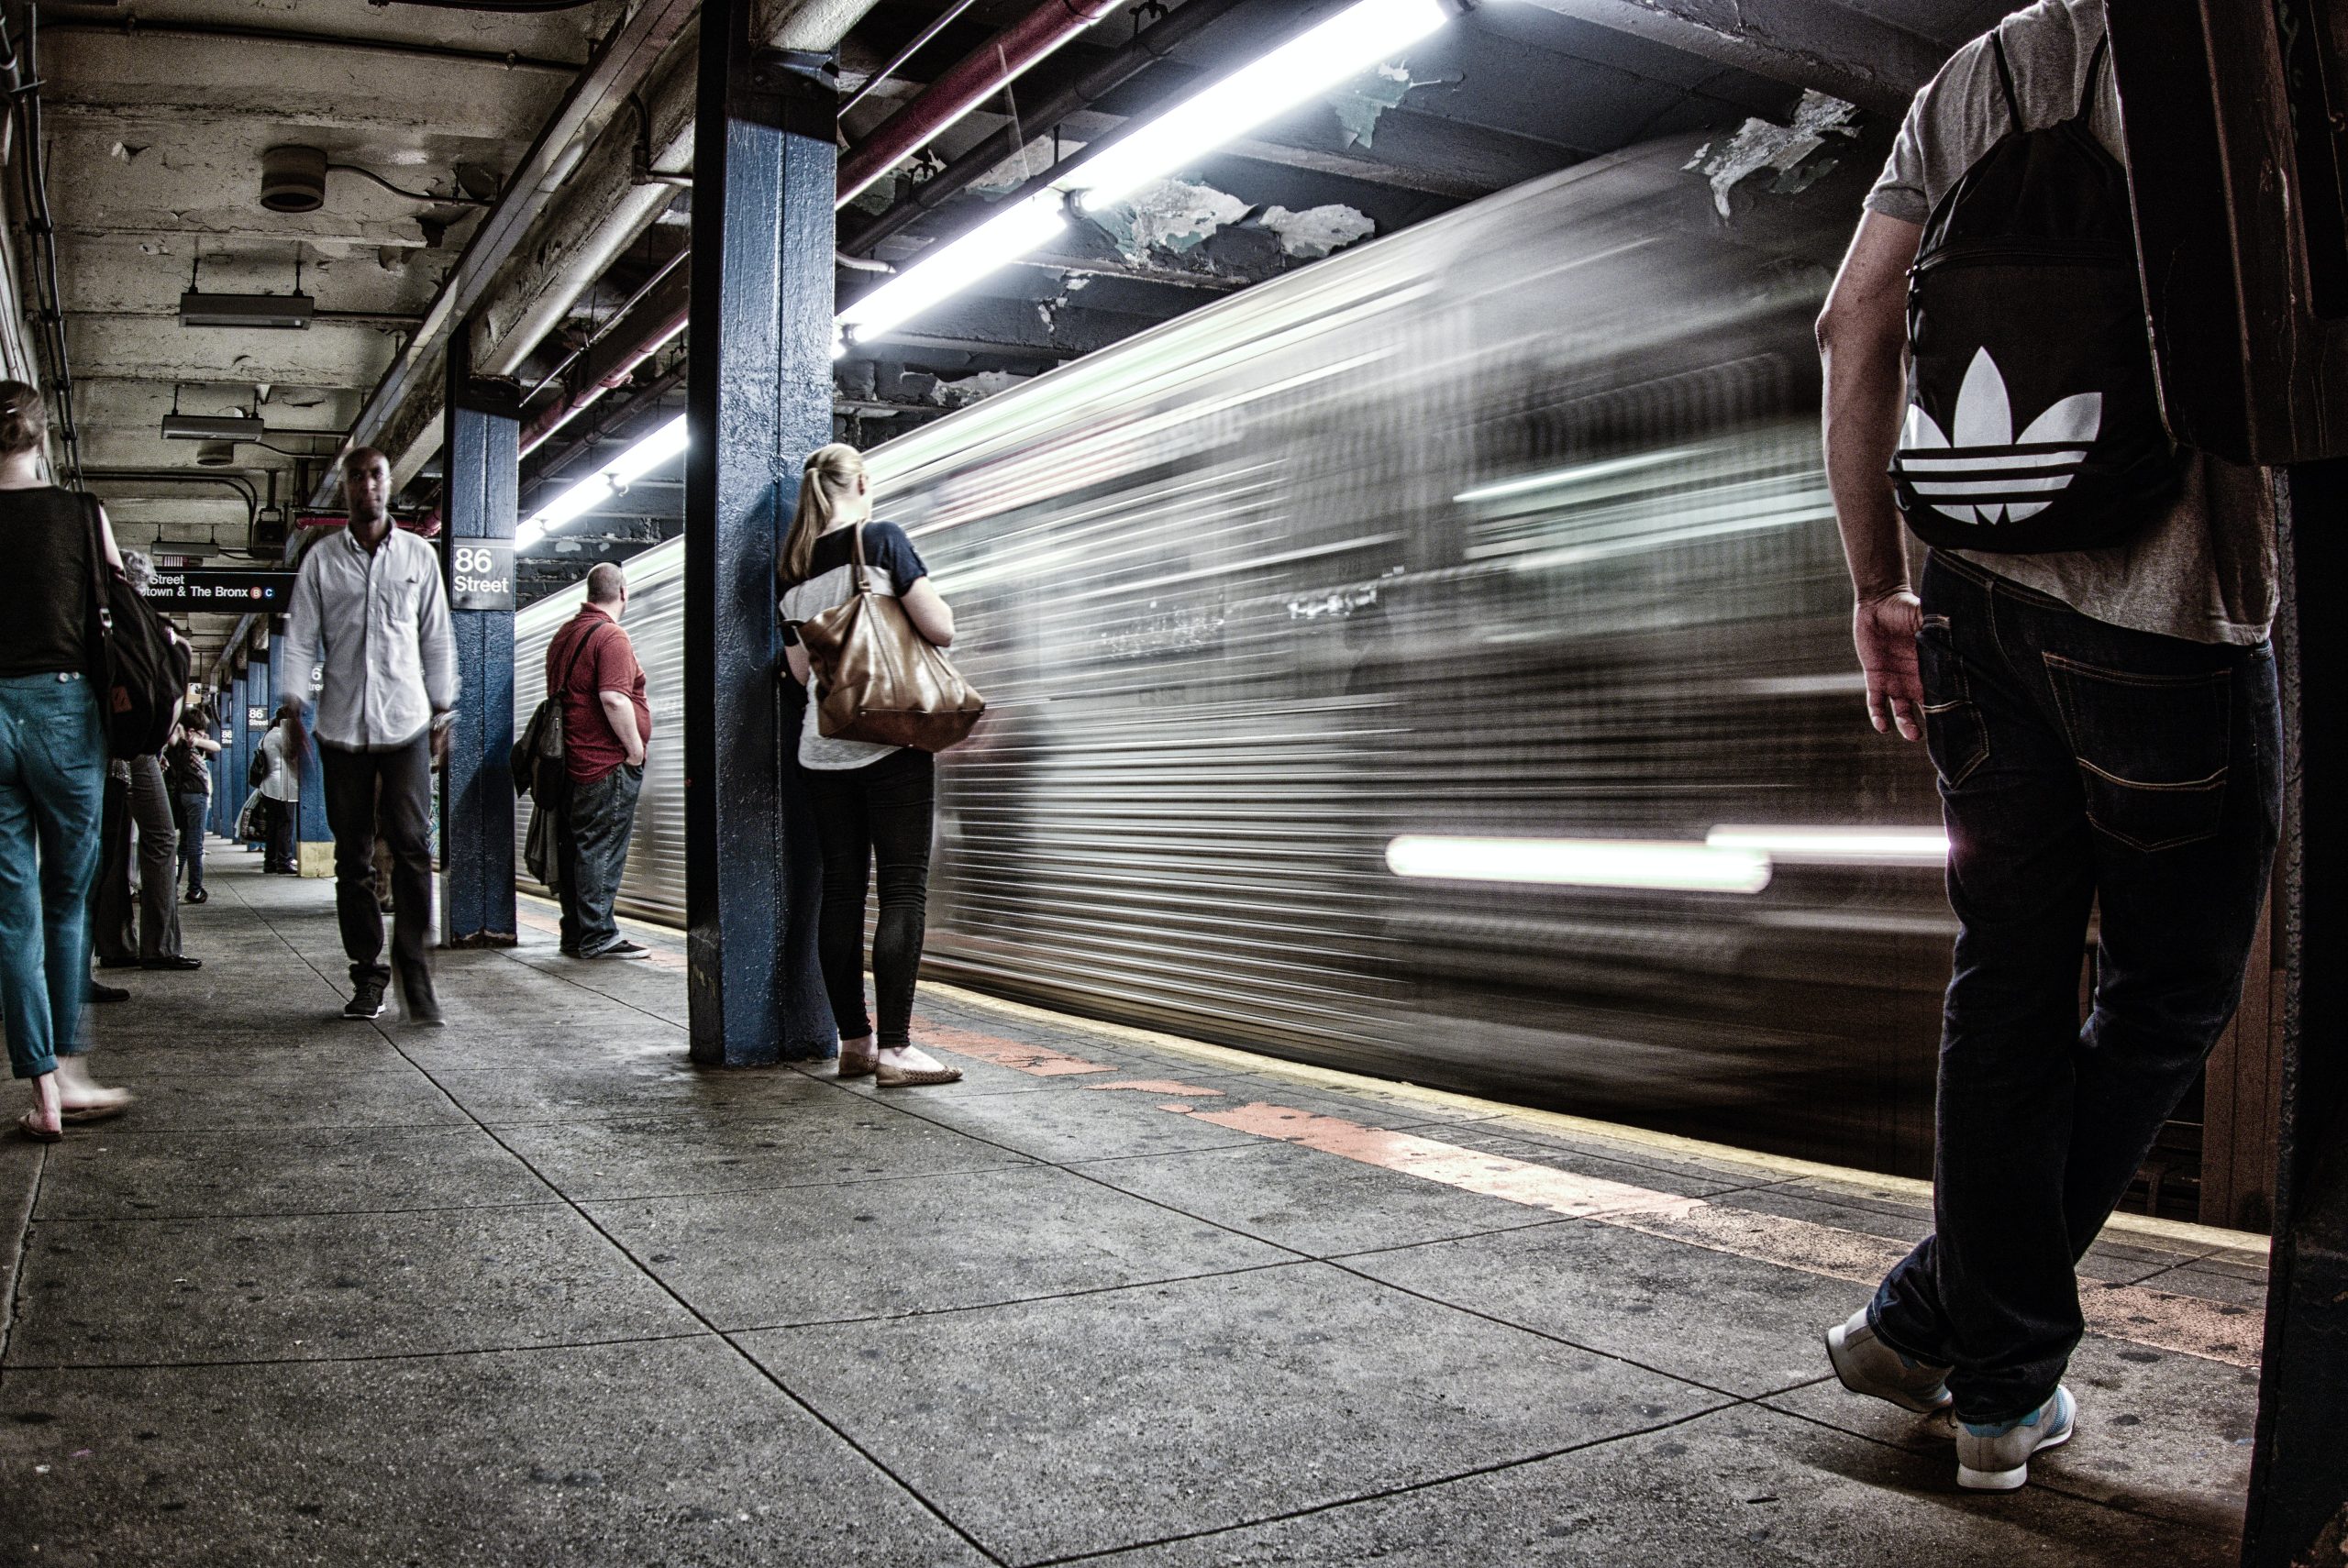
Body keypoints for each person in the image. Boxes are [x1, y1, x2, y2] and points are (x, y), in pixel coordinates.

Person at [1812, 0, 2280, 1492]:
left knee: (2006, 972)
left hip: (1968, 599)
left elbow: (1851, 323)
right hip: (2167, 613)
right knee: (2170, 987)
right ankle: (1985, 1364)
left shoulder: (1982, 73)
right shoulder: (2247, 59)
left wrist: (1875, 584)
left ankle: (1947, 1332)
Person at [777, 443, 961, 1088]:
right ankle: (898, 1050)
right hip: (891, 739)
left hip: (822, 749)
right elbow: (939, 628)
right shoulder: (881, 540)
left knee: (842, 891)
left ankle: (854, 1044)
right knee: (903, 889)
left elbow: (798, 671)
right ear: (859, 482)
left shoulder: (792, 570)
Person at [0, 381, 133, 1140]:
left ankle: (42, 1089)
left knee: (11, 910)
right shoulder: (82, 513)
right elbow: (122, 603)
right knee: (66, 900)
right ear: (43, 438)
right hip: (63, 710)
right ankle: (72, 1071)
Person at [282, 447, 456, 1023]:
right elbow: (300, 640)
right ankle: (367, 975)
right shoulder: (322, 561)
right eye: (356, 477)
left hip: (406, 724)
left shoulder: (418, 556)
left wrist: (442, 711)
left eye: (375, 475)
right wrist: (292, 707)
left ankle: (415, 971)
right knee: (352, 858)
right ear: (346, 488)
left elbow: (436, 637)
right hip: (340, 730)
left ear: (389, 483)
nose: (367, 485)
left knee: (413, 847)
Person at [93, 556, 197, 973]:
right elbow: (164, 686)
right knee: (160, 837)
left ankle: (115, 942)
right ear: (145, 585)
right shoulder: (143, 623)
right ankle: (160, 945)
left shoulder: (95, 617)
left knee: (114, 843)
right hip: (134, 746)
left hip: (97, 741)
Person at [545, 563, 650, 961]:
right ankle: (598, 935)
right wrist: (634, 750)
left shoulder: (565, 634)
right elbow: (614, 698)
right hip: (603, 763)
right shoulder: (611, 635)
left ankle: (575, 933)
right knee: (601, 849)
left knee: (577, 849)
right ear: (623, 593)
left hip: (570, 763)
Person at [165, 699, 220, 902]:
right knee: (196, 844)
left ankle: (173, 888)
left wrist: (196, 741)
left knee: (185, 845)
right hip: (196, 795)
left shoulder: (192, 744)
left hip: (184, 795)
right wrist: (188, 737)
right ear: (191, 730)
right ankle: (195, 889)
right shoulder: (180, 743)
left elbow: (216, 747)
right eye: (200, 730)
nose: (203, 734)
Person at [256, 704, 299, 874]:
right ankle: (284, 861)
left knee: (273, 824)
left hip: (268, 785)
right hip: (283, 784)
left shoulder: (267, 735)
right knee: (285, 824)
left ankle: (270, 862)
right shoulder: (284, 735)